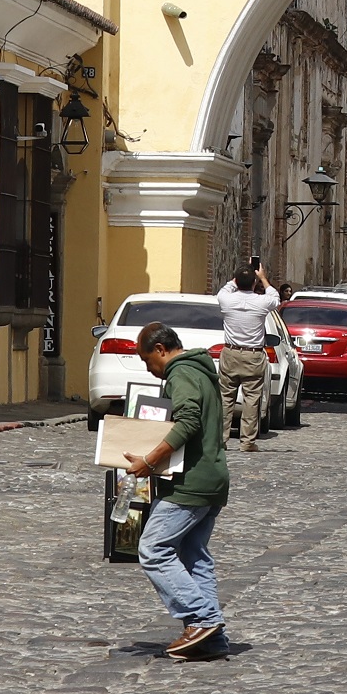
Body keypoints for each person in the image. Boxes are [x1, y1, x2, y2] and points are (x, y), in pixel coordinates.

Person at [126, 324, 230, 659]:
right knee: (194, 556)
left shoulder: (181, 373)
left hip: (190, 483)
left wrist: (149, 459)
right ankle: (212, 640)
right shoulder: (200, 370)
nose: (148, 368)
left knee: (153, 549)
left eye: (146, 360)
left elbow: (189, 422)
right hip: (211, 477)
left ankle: (202, 619)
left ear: (160, 349)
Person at [214, 256, 280, 455]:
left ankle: (220, 439)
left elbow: (226, 288)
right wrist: (263, 277)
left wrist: (239, 277)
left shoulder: (226, 299)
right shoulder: (261, 303)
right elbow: (276, 298)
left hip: (231, 352)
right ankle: (247, 441)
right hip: (253, 354)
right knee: (251, 399)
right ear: (254, 282)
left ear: (235, 281)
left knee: (226, 398)